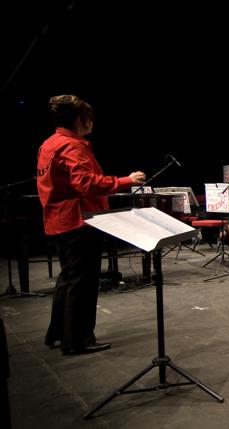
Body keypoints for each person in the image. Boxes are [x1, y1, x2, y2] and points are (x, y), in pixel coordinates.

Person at [36, 94, 146, 355]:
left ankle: (58, 333)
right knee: (82, 283)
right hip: (78, 220)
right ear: (79, 119)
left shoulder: (49, 144)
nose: (92, 122)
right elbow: (86, 183)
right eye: (89, 117)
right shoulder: (72, 146)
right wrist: (125, 180)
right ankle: (77, 340)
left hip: (58, 219)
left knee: (68, 279)